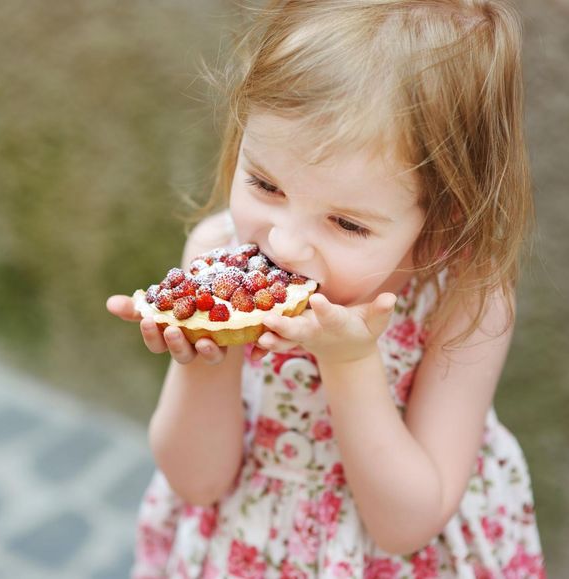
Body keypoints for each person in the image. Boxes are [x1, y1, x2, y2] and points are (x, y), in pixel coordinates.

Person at [106, 0, 545, 577]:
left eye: (347, 224)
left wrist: (351, 361)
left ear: (442, 223)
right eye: (265, 184)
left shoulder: (467, 305)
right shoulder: (217, 255)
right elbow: (197, 482)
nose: (284, 246)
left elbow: (405, 526)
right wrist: (204, 358)